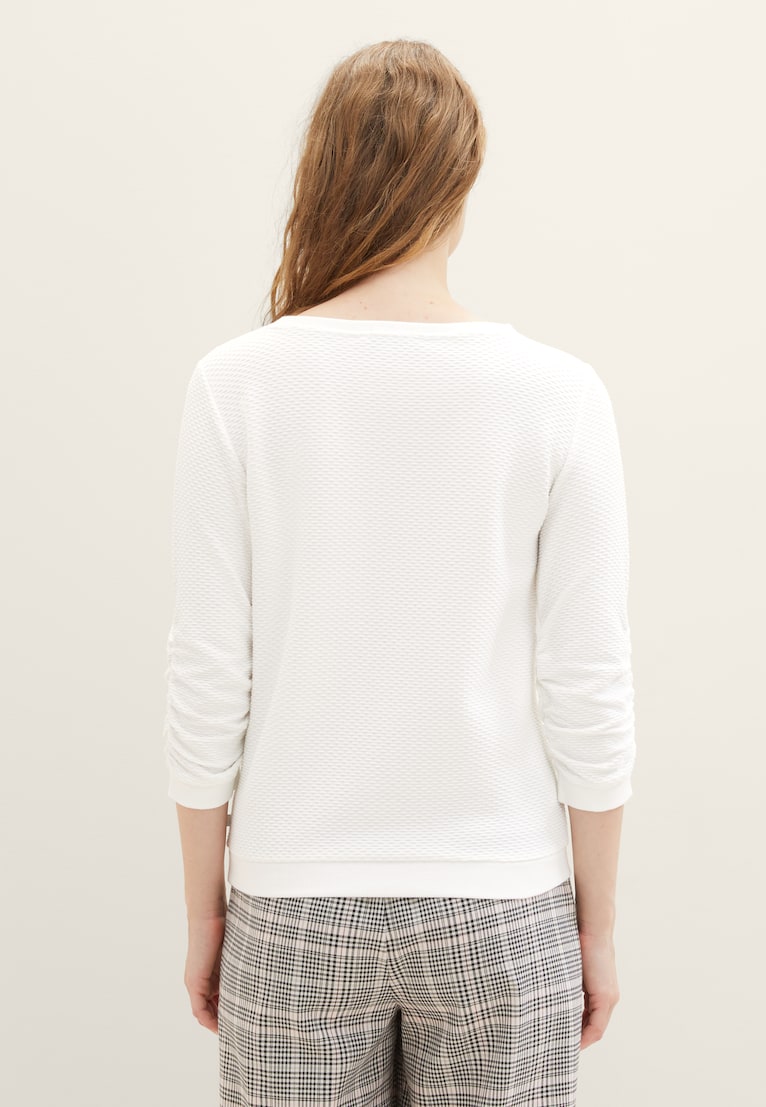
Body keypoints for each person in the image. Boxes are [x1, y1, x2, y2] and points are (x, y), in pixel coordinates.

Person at [164, 37, 636, 1107]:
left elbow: (207, 677)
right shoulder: (558, 395)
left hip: (292, 905)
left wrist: (205, 914)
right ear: (462, 184)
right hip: (504, 908)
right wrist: (596, 927)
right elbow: (588, 685)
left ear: (323, 173)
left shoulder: (235, 387)